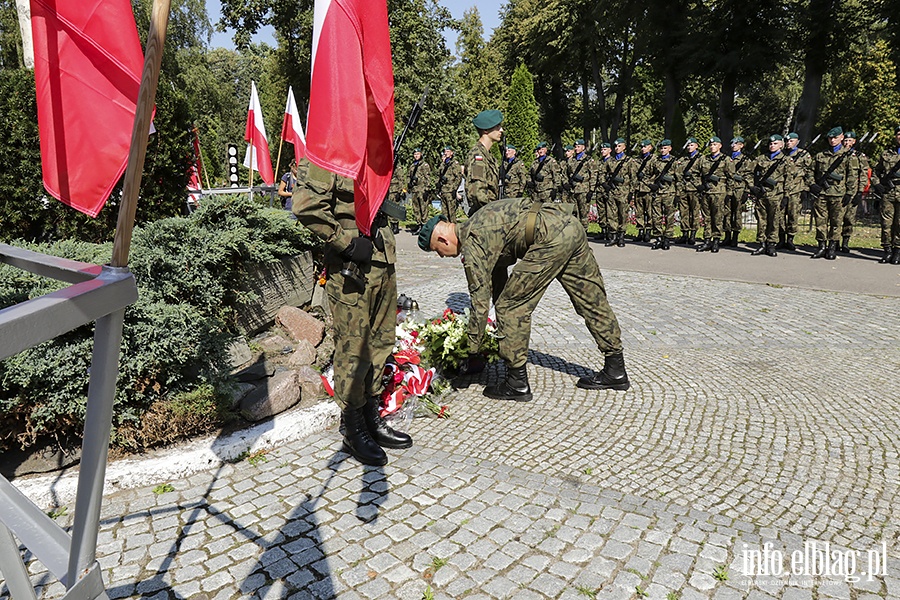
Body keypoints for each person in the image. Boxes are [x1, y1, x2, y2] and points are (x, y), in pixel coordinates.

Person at [417, 200, 630, 401]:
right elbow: (498, 277)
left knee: (511, 306)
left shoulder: (473, 242)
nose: (442, 256)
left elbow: (480, 302)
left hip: (548, 239)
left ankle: (516, 382)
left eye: (438, 251)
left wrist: (469, 351)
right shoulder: (479, 220)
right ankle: (616, 368)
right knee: (591, 299)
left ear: (444, 240)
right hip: (569, 226)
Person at [292, 161, 412, 467]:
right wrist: (344, 243)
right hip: (352, 267)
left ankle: (371, 416)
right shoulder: (329, 150)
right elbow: (306, 206)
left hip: (383, 259)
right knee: (354, 349)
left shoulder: (372, 150)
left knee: (381, 343)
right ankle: (353, 425)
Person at [806, 127, 859, 260]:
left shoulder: (848, 156)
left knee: (836, 222)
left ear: (841, 137)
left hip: (839, 194)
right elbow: (810, 172)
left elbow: (852, 176)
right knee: (820, 221)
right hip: (822, 194)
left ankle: (832, 247)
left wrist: (850, 194)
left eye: (835, 137)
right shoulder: (820, 155)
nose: (832, 140)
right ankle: (821, 246)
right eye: (830, 138)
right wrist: (812, 184)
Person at [749, 134, 789, 257]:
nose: (772, 145)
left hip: (776, 195)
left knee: (774, 220)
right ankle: (761, 244)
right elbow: (747, 172)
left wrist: (786, 195)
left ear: (781, 145)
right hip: (762, 194)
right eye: (771, 143)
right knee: (761, 220)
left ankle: (771, 245)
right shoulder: (761, 158)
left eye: (775, 143)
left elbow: (789, 179)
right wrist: (752, 186)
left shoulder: (786, 160)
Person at [696, 136, 734, 253]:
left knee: (717, 217)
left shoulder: (726, 160)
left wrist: (729, 192)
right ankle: (707, 240)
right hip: (706, 191)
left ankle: (716, 240)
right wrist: (699, 185)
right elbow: (696, 174)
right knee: (706, 217)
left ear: (720, 146)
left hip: (719, 191)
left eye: (715, 145)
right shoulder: (703, 159)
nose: (712, 147)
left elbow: (731, 178)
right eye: (711, 145)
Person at [465, 110, 503, 215]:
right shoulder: (478, 156)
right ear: (486, 130)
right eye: (497, 127)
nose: (501, 130)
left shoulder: (488, 156)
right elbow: (478, 193)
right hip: (484, 216)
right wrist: (492, 213)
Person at [872, 125, 900, 264]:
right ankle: (887, 250)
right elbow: (876, 171)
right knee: (886, 223)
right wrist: (877, 184)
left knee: (899, 224)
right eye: (899, 134)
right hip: (888, 193)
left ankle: (897, 251)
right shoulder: (886, 154)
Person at [782, 132, 812, 251]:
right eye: (787, 141)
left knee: (793, 215)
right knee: (779, 215)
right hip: (782, 189)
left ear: (797, 142)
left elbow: (809, 172)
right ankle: (781, 238)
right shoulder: (782, 154)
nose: (788, 143)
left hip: (796, 189)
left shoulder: (804, 155)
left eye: (791, 141)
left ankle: (790, 238)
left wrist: (806, 188)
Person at [602, 138, 633, 247]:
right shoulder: (610, 160)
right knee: (611, 214)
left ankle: (621, 236)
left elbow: (632, 177)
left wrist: (631, 192)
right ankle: (613, 236)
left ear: (624, 147)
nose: (617, 148)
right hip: (612, 190)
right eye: (615, 146)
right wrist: (604, 184)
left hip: (623, 191)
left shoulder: (629, 161)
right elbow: (602, 173)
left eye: (619, 146)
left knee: (622, 214)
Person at [840, 131, 867, 253]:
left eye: (849, 141)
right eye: (845, 140)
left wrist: (860, 192)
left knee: (849, 218)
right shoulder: (839, 155)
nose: (847, 143)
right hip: (839, 190)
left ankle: (845, 241)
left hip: (853, 191)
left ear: (854, 141)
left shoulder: (860, 156)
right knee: (836, 218)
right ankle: (834, 241)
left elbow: (864, 174)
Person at [649, 139, 678, 250]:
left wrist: (677, 194)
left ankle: (667, 238)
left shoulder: (674, 162)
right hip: (657, 192)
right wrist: (652, 185)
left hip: (669, 192)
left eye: (665, 148)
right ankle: (658, 238)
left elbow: (678, 179)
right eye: (661, 148)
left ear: (670, 149)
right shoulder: (655, 161)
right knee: (656, 216)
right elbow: (649, 174)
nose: (662, 150)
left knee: (669, 216)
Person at [675, 137, 703, 244]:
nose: (689, 147)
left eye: (691, 145)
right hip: (684, 189)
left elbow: (703, 175)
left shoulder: (701, 159)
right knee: (684, 212)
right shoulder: (683, 160)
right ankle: (685, 233)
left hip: (694, 189)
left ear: (696, 146)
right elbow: (678, 175)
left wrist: (695, 181)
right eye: (688, 145)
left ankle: (693, 234)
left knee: (694, 212)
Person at [725, 137, 752, 247]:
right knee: (726, 212)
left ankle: (735, 236)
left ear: (741, 146)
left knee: (737, 213)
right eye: (732, 143)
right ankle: (727, 235)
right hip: (727, 188)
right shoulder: (726, 158)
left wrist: (747, 191)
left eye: (736, 144)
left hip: (739, 189)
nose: (733, 145)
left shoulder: (746, 160)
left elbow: (749, 176)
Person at [565, 139, 595, 230]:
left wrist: (591, 189)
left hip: (583, 189)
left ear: (583, 147)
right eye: (575, 147)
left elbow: (593, 175)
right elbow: (566, 173)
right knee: (574, 211)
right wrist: (567, 183)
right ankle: (576, 230)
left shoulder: (588, 160)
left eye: (578, 147)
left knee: (583, 212)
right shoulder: (572, 160)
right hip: (573, 189)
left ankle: (584, 230)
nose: (576, 148)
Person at [632, 139, 656, 243]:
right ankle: (640, 231)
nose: (643, 149)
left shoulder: (654, 159)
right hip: (638, 188)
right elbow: (633, 174)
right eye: (642, 147)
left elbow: (656, 174)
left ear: (650, 147)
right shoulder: (637, 160)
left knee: (650, 211)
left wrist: (646, 181)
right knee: (639, 212)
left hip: (648, 189)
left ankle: (648, 232)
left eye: (645, 147)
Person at [436, 146, 464, 223]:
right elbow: (438, 175)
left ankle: (453, 229)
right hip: (443, 190)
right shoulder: (443, 164)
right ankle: (446, 230)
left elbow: (458, 177)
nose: (446, 153)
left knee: (451, 213)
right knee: (444, 213)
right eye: (445, 151)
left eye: (448, 151)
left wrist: (454, 189)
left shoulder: (454, 163)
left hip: (450, 190)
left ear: (452, 153)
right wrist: (438, 185)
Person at [407, 149, 431, 233]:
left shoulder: (424, 165)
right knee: (416, 208)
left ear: (421, 154)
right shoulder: (412, 165)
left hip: (422, 189)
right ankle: (418, 224)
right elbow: (408, 176)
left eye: (417, 154)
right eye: (415, 154)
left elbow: (427, 178)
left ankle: (424, 226)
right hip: (415, 190)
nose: (416, 156)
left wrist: (427, 189)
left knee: (423, 208)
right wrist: (408, 184)